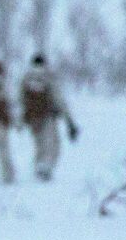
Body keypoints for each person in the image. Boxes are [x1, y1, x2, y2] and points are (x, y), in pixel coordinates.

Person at [18, 54, 80, 182]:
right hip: (47, 117)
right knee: (54, 145)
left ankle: (38, 168)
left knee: (39, 145)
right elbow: (59, 99)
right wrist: (70, 122)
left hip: (32, 118)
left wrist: (20, 121)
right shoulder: (48, 77)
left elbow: (20, 101)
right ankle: (46, 170)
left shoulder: (26, 78)